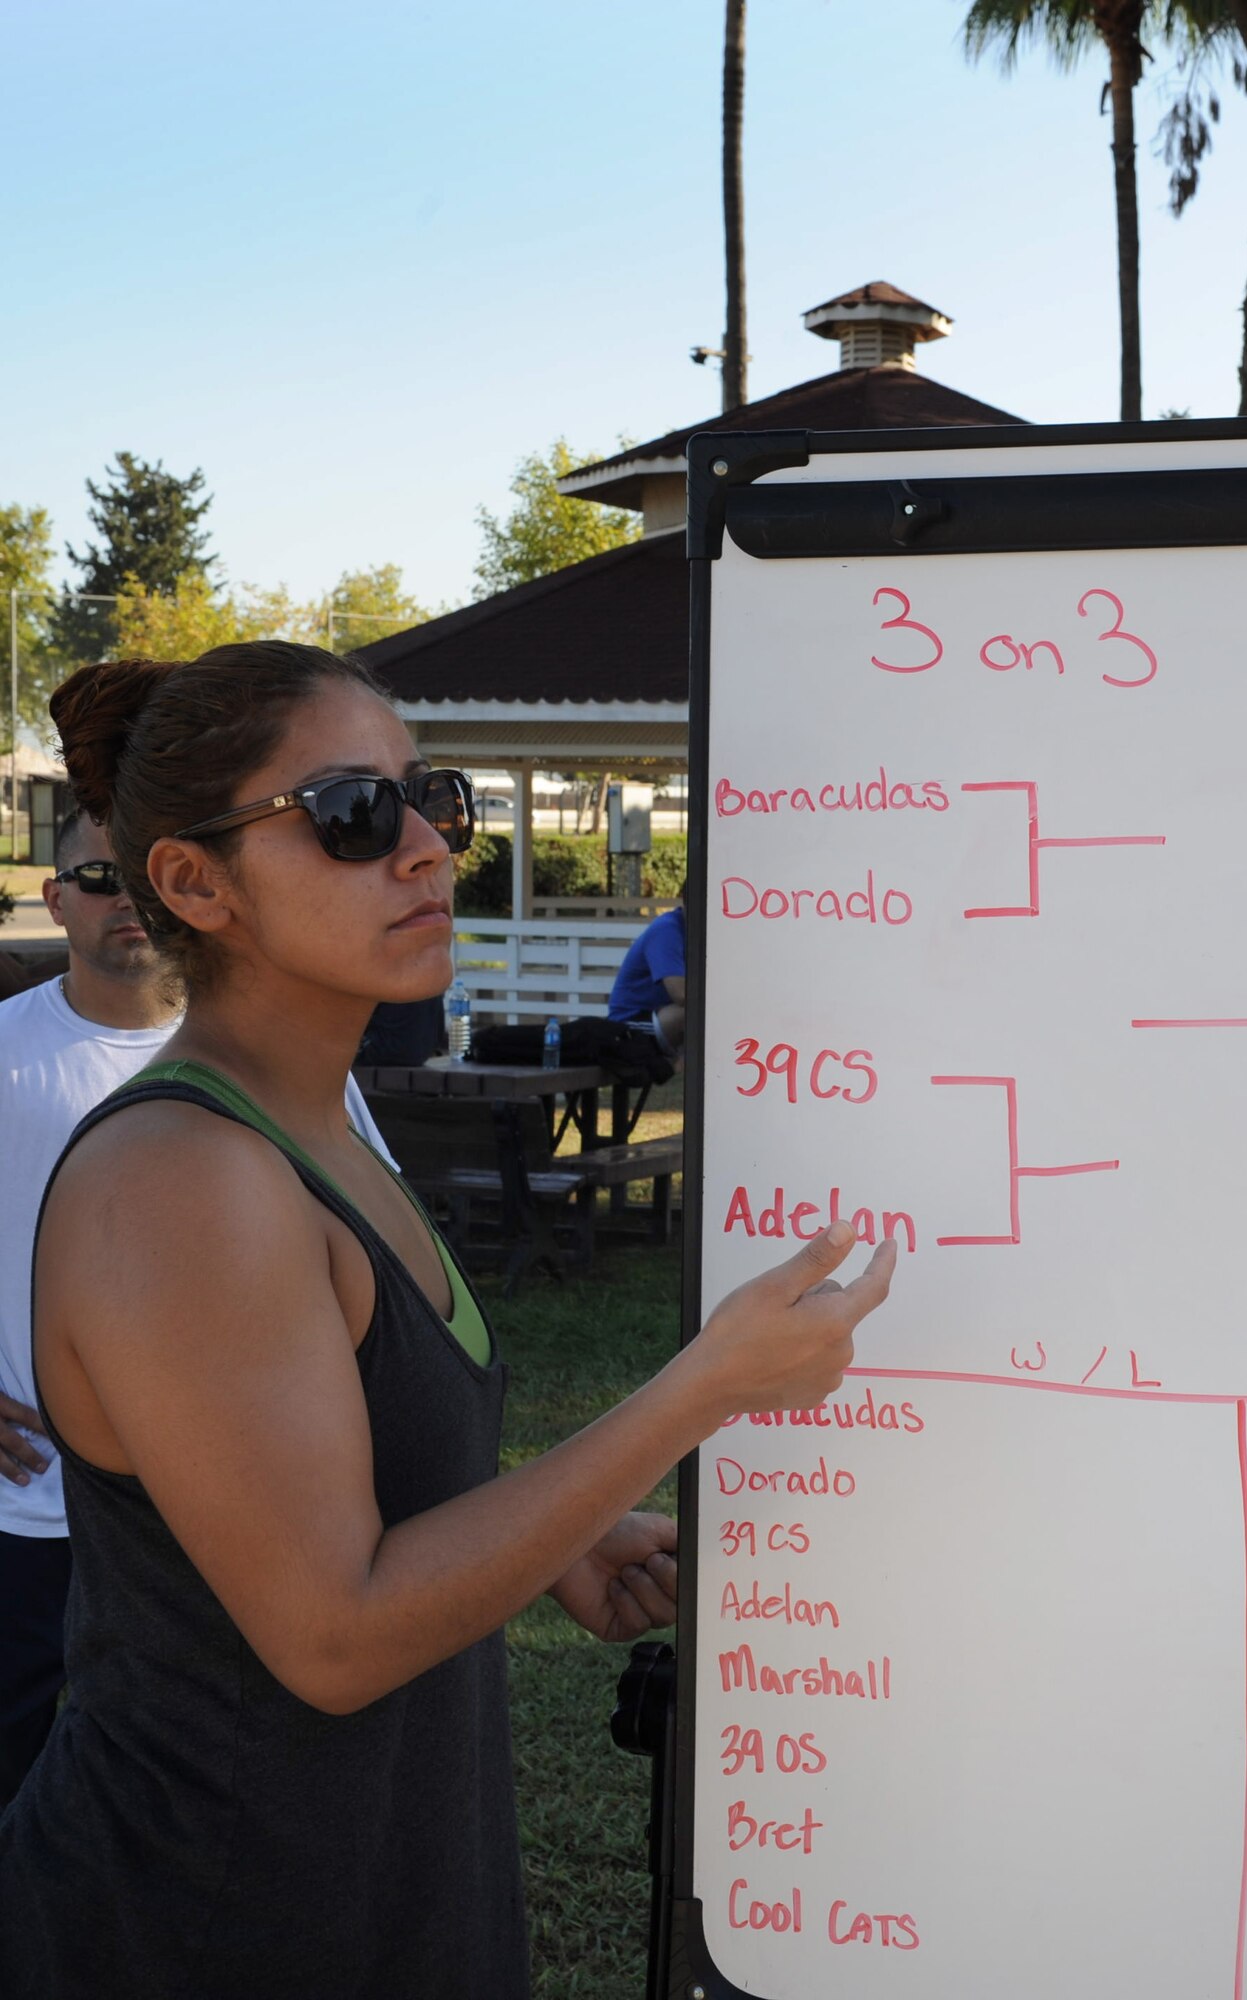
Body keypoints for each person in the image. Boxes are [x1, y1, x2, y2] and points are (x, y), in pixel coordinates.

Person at [0, 644, 893, 1998]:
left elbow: (321, 1488)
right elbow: (334, 1634)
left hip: (369, 1886)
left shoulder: (321, 1122)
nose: (425, 850)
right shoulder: (182, 1177)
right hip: (206, 1920)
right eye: (354, 814)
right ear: (193, 882)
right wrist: (702, 1388)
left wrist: (547, 1543)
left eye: (438, 802)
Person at [0, 808, 401, 1812]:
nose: (123, 899)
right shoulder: (7, 1051)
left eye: (140, 876)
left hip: (211, 1520)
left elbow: (378, 1240)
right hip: (25, 1507)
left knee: (178, 1796)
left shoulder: (269, 1061)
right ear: (54, 900)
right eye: (96, 877)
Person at [606, 878, 686, 1053]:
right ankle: (681, 1065)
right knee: (701, 1011)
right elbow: (681, 994)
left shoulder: (699, 931)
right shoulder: (666, 930)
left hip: (660, 1014)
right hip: (630, 1022)